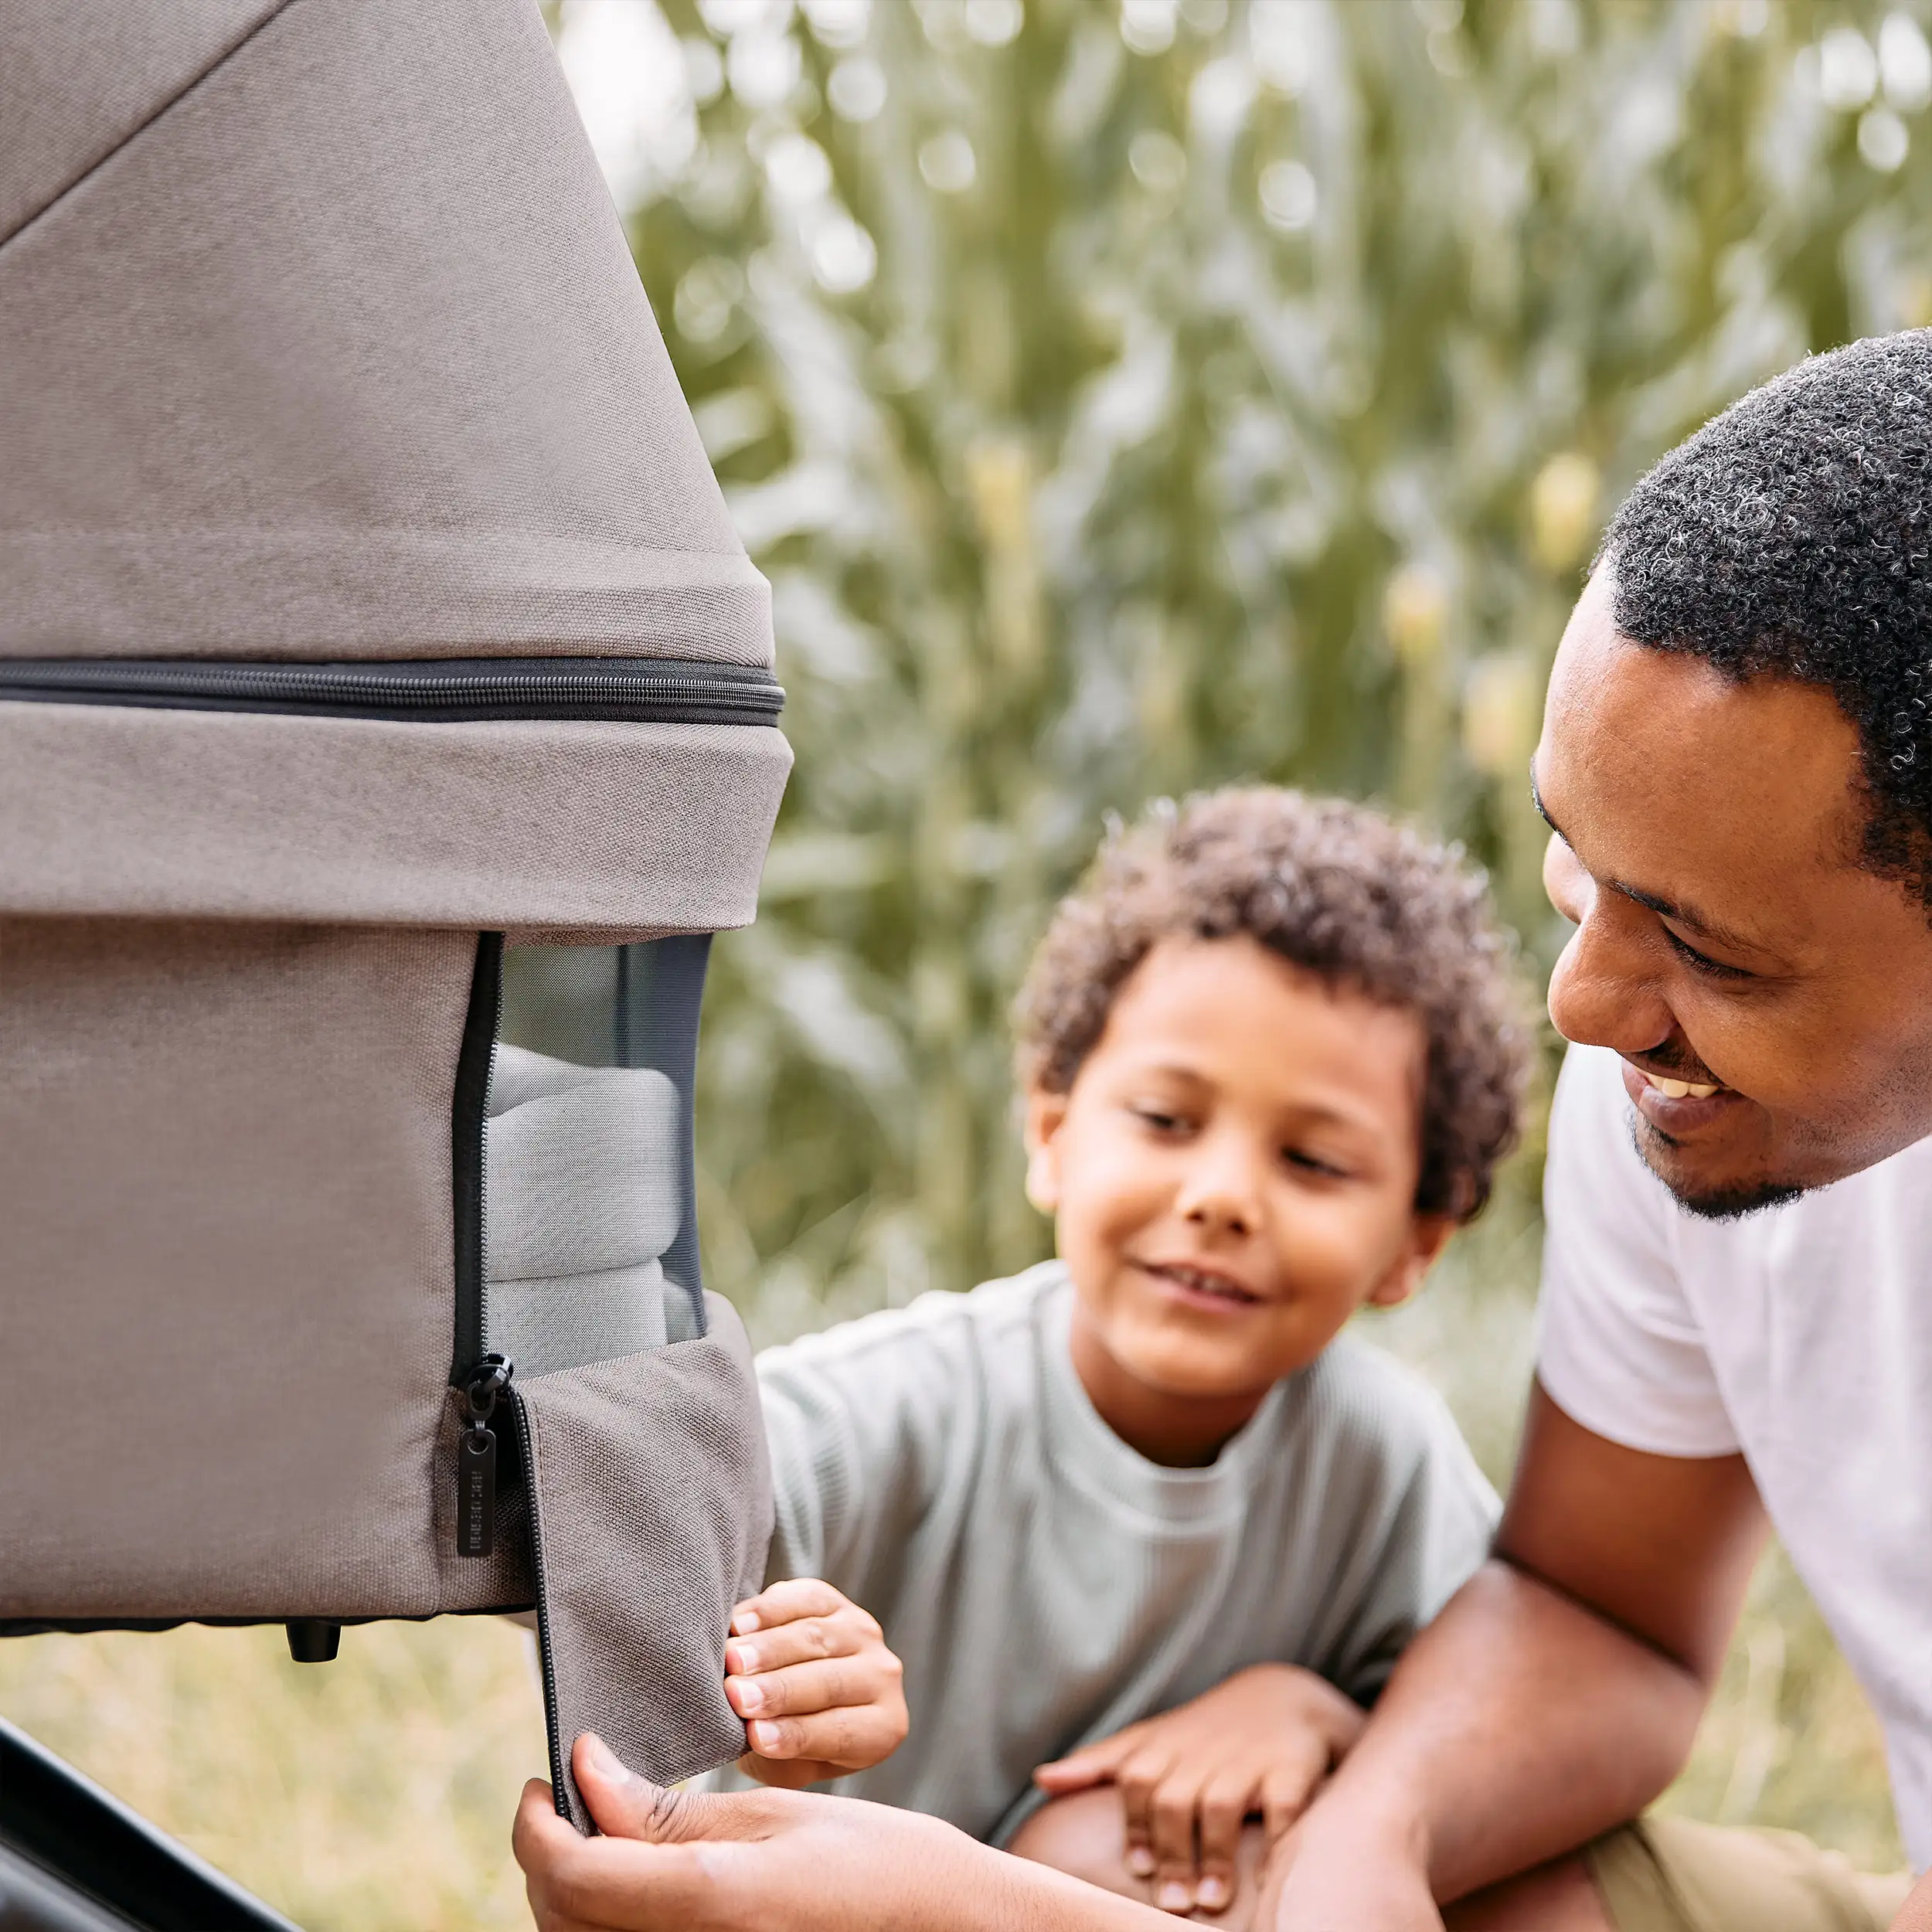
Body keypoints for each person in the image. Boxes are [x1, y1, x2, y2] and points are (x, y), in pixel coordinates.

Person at [514, 328, 1932, 1932]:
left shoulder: (1378, 1445)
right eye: (1573, 860)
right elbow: (1601, 1618)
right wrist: (1364, 1835)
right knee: (1143, 1843)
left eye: (1708, 948)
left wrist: (960, 1913)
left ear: (1414, 1234)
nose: (1583, 1004)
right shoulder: (1694, 1098)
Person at [530, 786, 1528, 1924]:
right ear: (1052, 1134)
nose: (1221, 1197)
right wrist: (769, 1680)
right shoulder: (899, 1407)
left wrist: (1315, 1715)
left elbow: (1497, 1709)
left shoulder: (1385, 1461)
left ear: (1414, 1244)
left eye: (1313, 1162)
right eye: (1166, 1120)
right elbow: (601, 1517)